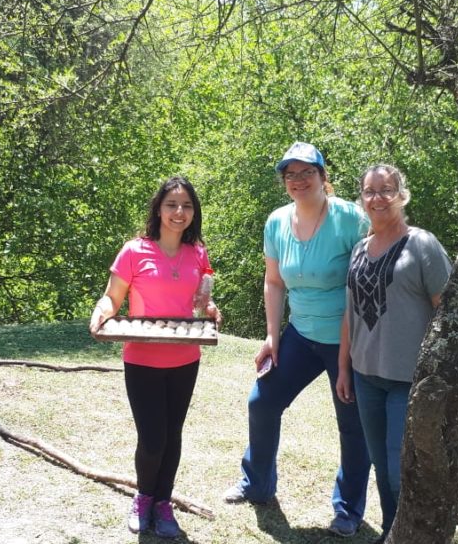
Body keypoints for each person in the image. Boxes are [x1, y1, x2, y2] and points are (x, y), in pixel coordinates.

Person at [223, 142, 372, 538]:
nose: (299, 180)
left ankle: (348, 509)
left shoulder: (351, 220)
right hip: (301, 335)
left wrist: (345, 358)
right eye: (291, 174)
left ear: (324, 176)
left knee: (353, 424)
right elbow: (274, 283)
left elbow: (364, 288)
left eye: (307, 172)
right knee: (263, 401)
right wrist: (272, 336)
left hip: (349, 341)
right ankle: (257, 484)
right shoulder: (276, 222)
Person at [89, 176, 221, 538]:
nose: (179, 212)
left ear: (194, 212)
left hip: (185, 358)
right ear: (158, 209)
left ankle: (163, 503)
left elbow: (200, 300)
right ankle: (143, 496)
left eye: (187, 206)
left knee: (173, 434)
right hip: (142, 359)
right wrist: (100, 313)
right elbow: (112, 297)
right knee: (152, 438)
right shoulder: (134, 250)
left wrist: (210, 309)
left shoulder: (198, 252)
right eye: (172, 205)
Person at [336, 164, 451, 544]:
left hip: (409, 378)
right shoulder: (358, 250)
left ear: (402, 195)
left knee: (400, 467)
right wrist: (343, 369)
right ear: (361, 199)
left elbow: (447, 311)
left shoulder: (422, 244)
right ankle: (391, 532)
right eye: (369, 191)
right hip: (366, 376)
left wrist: (439, 372)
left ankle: (413, 535)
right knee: (382, 469)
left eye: (386, 190)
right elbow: (350, 316)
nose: (377, 198)